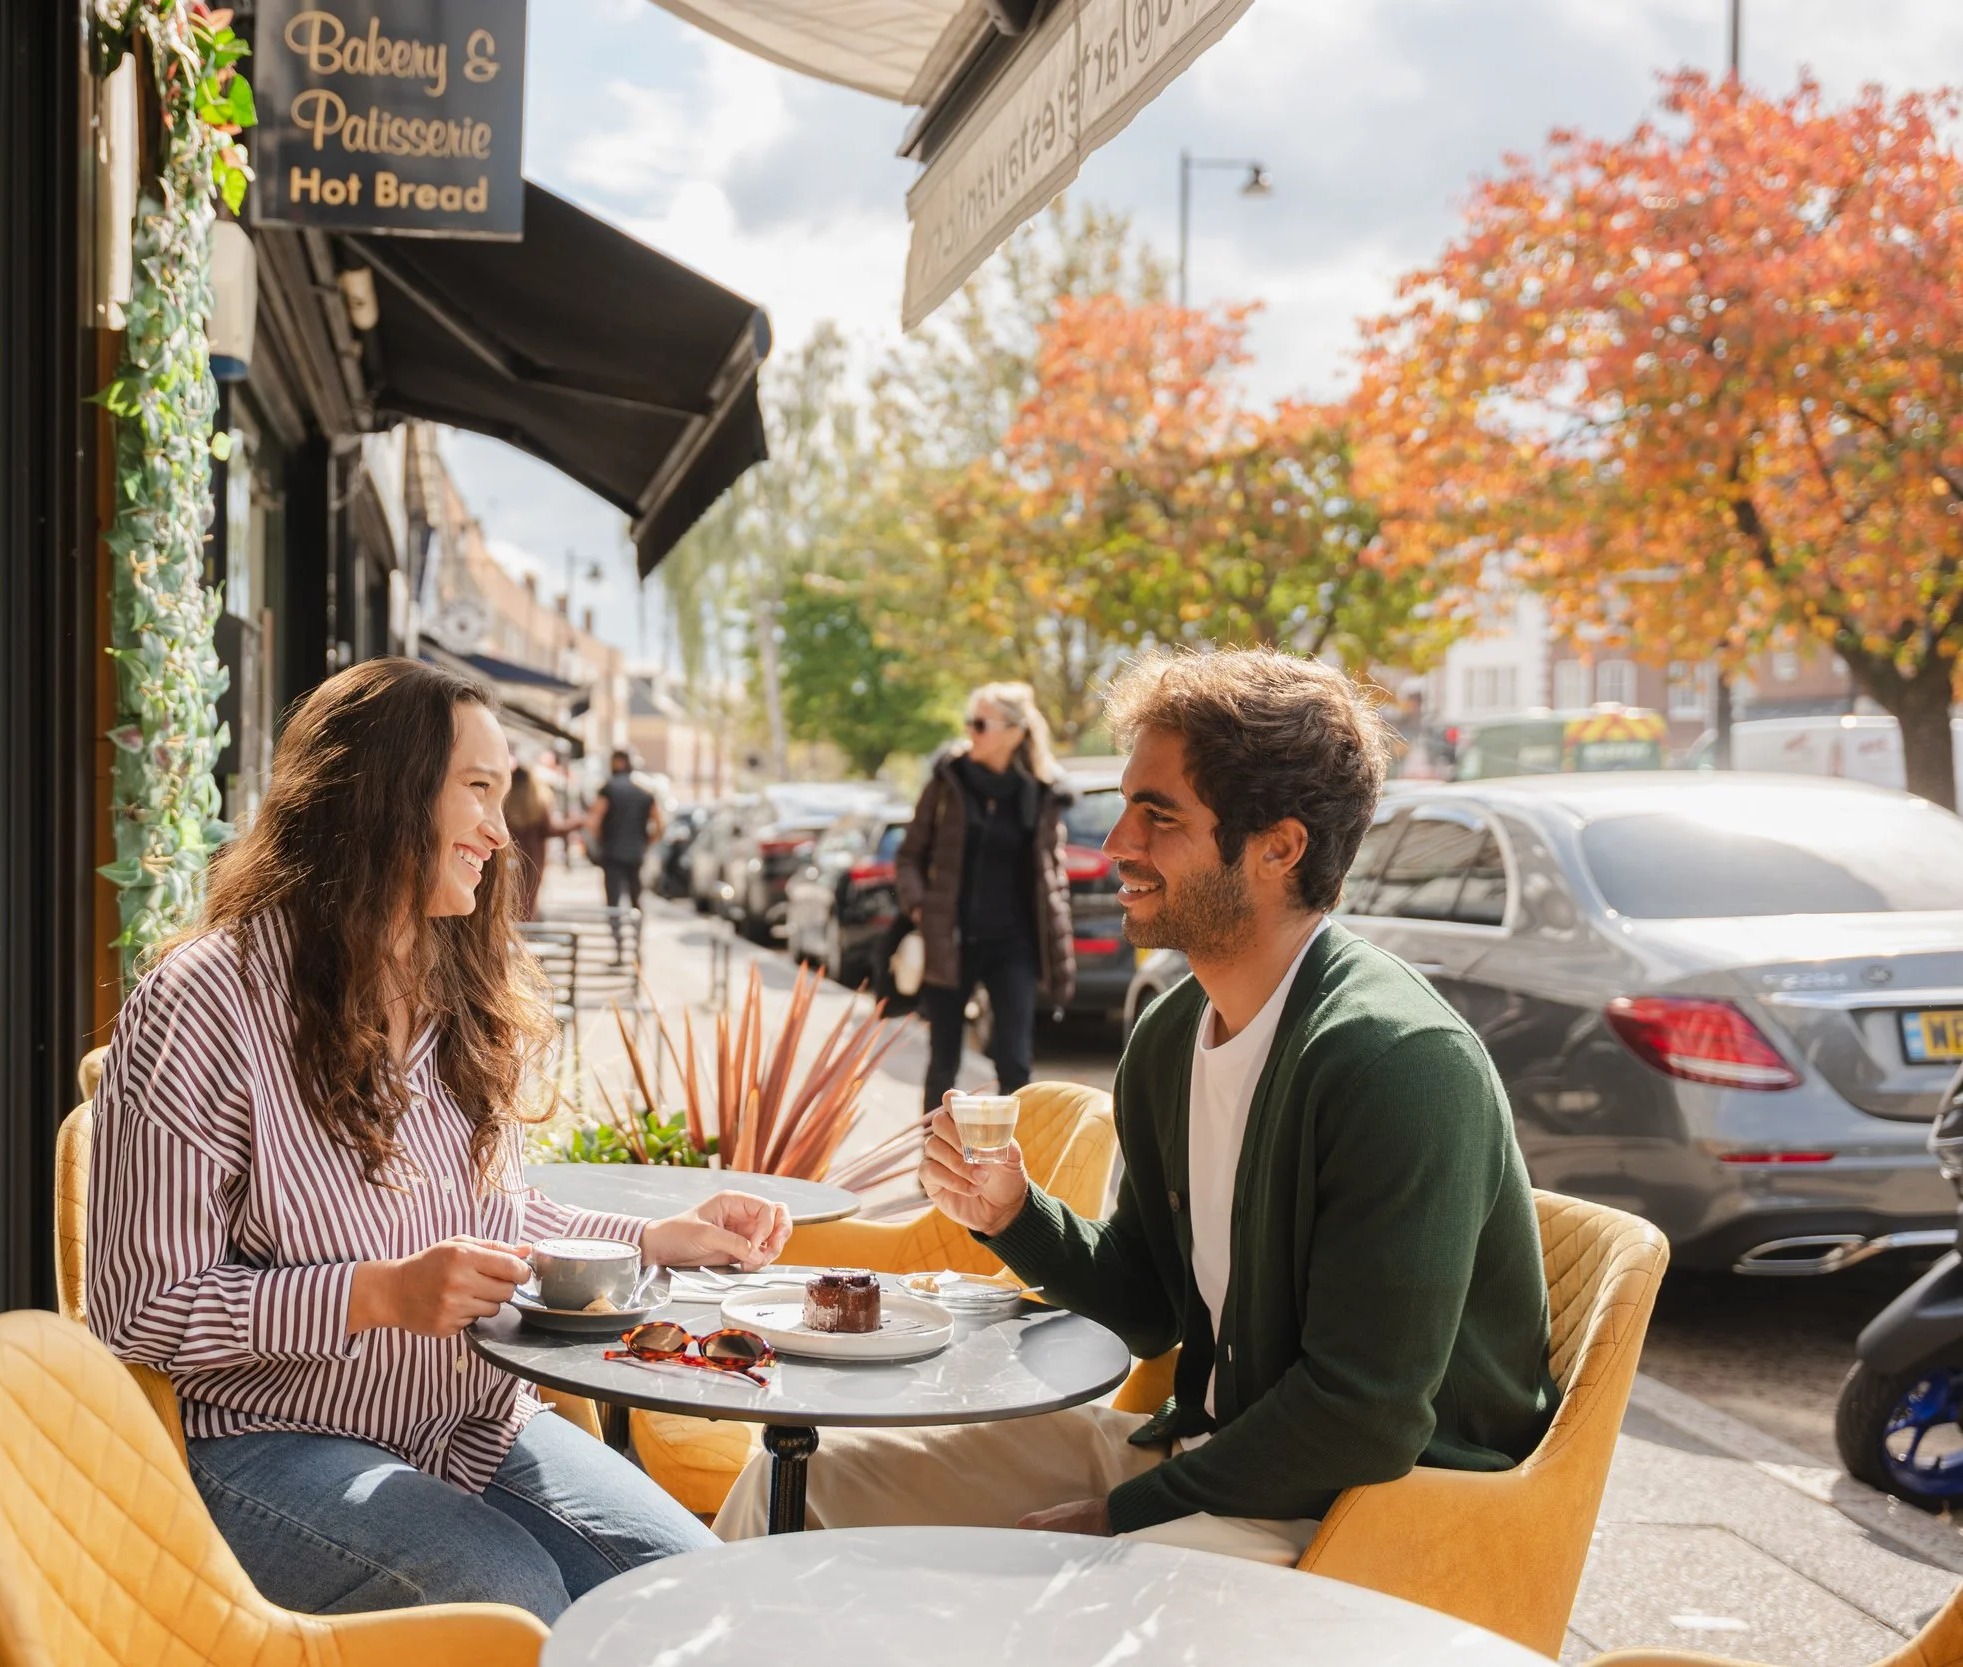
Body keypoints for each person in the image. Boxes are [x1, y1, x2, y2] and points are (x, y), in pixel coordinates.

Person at [716, 648, 1558, 1561]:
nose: (1116, 842)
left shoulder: (1398, 1064)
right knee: (796, 1484)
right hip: (1210, 1462)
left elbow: (1366, 1416)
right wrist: (1014, 1215)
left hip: (1367, 1517)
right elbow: (1152, 1306)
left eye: (1158, 816)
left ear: (1279, 847)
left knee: (1025, 1589)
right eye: (1125, 807)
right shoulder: (1173, 1034)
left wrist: (1124, 1515)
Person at [88, 658, 791, 1622]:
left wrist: (654, 1240)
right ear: (379, 791)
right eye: (478, 790)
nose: (502, 833)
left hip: (467, 1423)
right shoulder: (207, 999)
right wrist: (378, 1293)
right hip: (256, 1440)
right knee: (501, 1594)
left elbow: (486, 1222)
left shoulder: (450, 990)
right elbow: (140, 1308)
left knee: (699, 1592)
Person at [897, 683, 1076, 1113]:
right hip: (950, 941)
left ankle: (1013, 1175)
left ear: (1014, 732)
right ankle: (933, 1172)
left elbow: (1051, 873)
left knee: (1015, 1063)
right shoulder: (947, 782)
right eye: (969, 722)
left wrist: (1056, 936)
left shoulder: (1040, 791)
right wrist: (922, 908)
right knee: (944, 1065)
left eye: (980, 724)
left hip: (1012, 944)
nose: (970, 732)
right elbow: (908, 856)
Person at [583, 749, 661, 913]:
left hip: (612, 852)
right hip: (636, 852)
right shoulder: (644, 792)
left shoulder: (608, 789)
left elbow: (593, 821)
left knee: (613, 900)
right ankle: (635, 932)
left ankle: (617, 935)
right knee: (636, 896)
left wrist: (599, 841)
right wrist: (646, 842)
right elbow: (660, 825)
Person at [502, 763, 568, 921]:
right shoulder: (538, 802)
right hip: (533, 858)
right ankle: (524, 936)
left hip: (509, 856)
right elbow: (551, 829)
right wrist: (578, 822)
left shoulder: (504, 803)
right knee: (529, 900)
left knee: (507, 897)